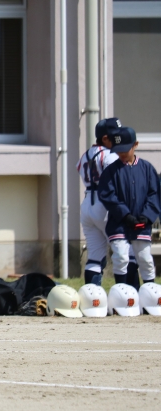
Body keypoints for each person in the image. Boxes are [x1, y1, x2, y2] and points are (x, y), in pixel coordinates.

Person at [98, 126, 159, 286]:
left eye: (125, 149)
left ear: (135, 145)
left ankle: (150, 292)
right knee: (121, 257)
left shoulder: (147, 169)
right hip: (119, 224)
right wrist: (125, 215)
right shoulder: (111, 171)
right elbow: (107, 195)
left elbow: (154, 194)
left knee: (145, 259)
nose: (122, 154)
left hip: (141, 224)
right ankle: (122, 291)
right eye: (118, 150)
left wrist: (146, 215)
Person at [76, 118, 122, 286]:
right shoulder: (110, 155)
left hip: (88, 202)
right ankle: (126, 294)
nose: (119, 139)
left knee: (95, 257)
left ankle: (92, 296)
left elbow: (79, 168)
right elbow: (116, 180)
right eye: (115, 136)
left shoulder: (85, 155)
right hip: (104, 204)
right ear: (105, 138)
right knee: (124, 251)